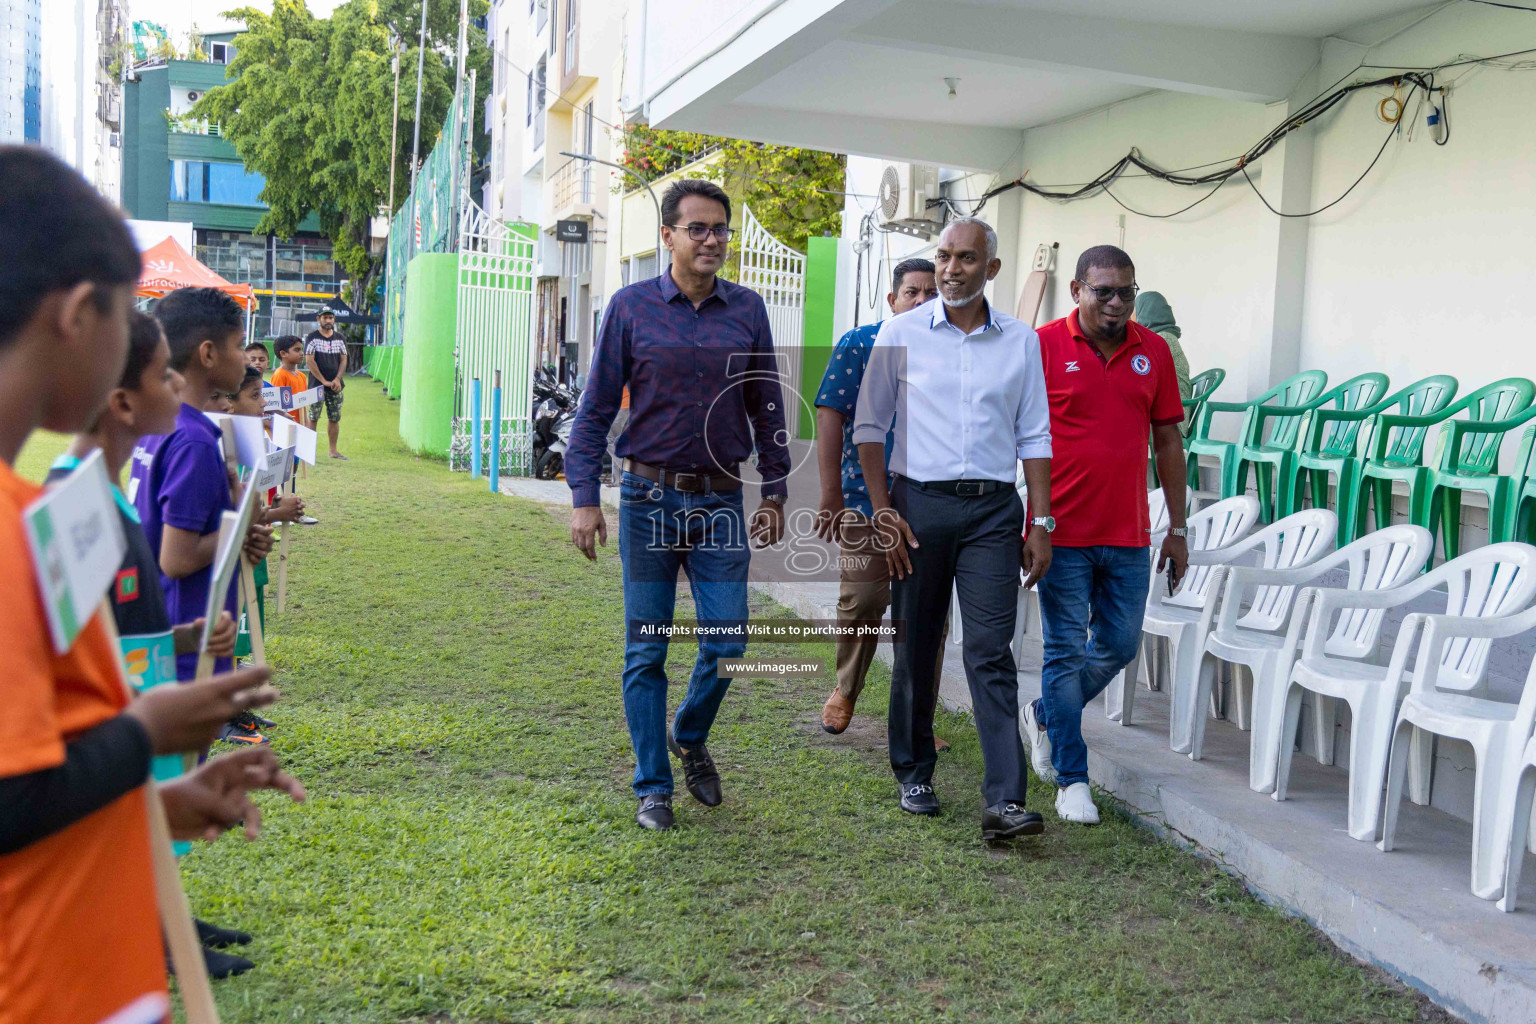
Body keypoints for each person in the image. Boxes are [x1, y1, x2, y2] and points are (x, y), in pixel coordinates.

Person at [0, 144, 304, 1024]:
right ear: (82, 313)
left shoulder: (29, 506)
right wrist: (147, 733)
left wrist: (154, 802)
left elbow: (41, 766)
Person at [47, 310, 269, 979]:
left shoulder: (101, 490)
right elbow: (72, 656)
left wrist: (178, 637)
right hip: (117, 723)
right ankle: (154, 930)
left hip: (142, 695)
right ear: (121, 401)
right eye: (161, 376)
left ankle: (165, 916)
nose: (176, 388)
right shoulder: (73, 499)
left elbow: (111, 625)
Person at [565, 179, 789, 832]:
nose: (713, 239)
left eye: (720, 229)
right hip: (646, 499)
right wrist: (584, 498)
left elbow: (767, 402)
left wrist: (775, 487)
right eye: (699, 228)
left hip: (721, 500)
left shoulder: (747, 310)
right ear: (668, 236)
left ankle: (688, 735)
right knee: (647, 648)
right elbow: (597, 406)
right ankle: (653, 787)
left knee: (729, 640)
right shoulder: (631, 307)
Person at [853, 218, 1054, 841]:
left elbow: (1035, 434)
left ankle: (1005, 802)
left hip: (995, 512)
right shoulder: (901, 331)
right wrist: (884, 510)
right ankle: (914, 771)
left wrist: (1040, 518)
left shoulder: (1021, 341)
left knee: (991, 651)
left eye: (966, 258)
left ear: (991, 268)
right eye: (944, 256)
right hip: (919, 508)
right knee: (917, 642)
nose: (951, 269)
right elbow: (868, 425)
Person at [1021, 246, 1189, 825]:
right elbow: (1020, 437)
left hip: (1127, 533)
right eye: (1104, 292)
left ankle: (1046, 713)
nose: (1117, 303)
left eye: (1126, 292)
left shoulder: (1155, 352)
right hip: (1059, 531)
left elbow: (1168, 441)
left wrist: (1178, 526)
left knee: (1118, 645)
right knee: (1064, 651)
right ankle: (1072, 778)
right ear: (1076, 289)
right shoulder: (1042, 345)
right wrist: (1033, 524)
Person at [814, 258, 950, 749]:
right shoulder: (861, 344)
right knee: (864, 601)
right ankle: (847, 688)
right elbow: (830, 414)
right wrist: (830, 492)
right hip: (863, 499)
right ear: (892, 300)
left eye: (931, 293)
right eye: (912, 292)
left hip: (933, 505)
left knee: (926, 619)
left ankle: (918, 721)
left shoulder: (954, 350)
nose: (922, 300)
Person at [131, 286, 275, 746]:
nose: (245, 358)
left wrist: (236, 526)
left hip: (164, 636)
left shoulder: (161, 425)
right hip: (187, 645)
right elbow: (177, 557)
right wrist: (239, 528)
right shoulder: (193, 440)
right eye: (238, 346)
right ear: (208, 353)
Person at [269, 335, 319, 524]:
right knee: (282, 469)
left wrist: (305, 425)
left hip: (297, 431)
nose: (301, 353)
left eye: (301, 349)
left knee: (292, 470)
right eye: (297, 350)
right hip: (283, 431)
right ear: (283, 354)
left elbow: (302, 404)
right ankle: (278, 509)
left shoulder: (302, 376)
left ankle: (292, 509)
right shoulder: (279, 375)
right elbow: (275, 404)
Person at [304, 307, 348, 459]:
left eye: (330, 317)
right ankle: (308, 451)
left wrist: (336, 379)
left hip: (336, 386)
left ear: (334, 319)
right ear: (318, 319)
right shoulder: (312, 338)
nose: (328, 320)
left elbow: (343, 359)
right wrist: (323, 381)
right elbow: (309, 360)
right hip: (317, 385)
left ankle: (333, 451)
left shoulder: (340, 338)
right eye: (325, 317)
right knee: (313, 416)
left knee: (334, 417)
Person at [1132, 290, 1192, 399]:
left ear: (1145, 312)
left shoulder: (1163, 339)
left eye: (1134, 313)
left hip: (1171, 411)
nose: (1132, 319)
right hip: (1166, 406)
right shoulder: (1164, 337)